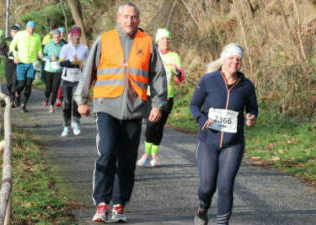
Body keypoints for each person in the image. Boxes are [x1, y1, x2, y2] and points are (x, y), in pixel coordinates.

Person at [74, 2, 167, 223]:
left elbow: (158, 76)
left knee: (126, 159)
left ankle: (119, 204)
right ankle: (101, 203)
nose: (129, 21)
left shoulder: (147, 42)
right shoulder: (104, 40)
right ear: (118, 18)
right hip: (107, 106)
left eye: (134, 17)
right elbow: (89, 70)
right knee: (106, 152)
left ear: (139, 19)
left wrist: (158, 104)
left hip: (135, 110)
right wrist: (82, 99)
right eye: (125, 17)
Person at [190, 43, 258, 225]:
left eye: (238, 59)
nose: (234, 62)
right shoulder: (208, 80)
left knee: (226, 185)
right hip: (208, 141)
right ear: (223, 60)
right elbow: (194, 105)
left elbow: (252, 108)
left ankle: (222, 222)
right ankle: (203, 207)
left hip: (233, 143)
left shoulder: (247, 86)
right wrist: (202, 120)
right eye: (231, 58)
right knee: (206, 187)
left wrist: (251, 117)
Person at [137, 28, 185, 167]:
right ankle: (146, 153)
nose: (166, 41)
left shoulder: (174, 56)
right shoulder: (151, 53)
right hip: (150, 96)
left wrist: (177, 73)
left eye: (168, 39)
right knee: (151, 125)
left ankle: (154, 155)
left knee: (159, 127)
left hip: (167, 97)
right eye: (163, 39)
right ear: (157, 41)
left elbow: (180, 79)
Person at [59, 25, 88, 136]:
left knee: (77, 102)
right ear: (71, 35)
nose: (76, 37)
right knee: (67, 103)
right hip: (66, 79)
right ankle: (66, 125)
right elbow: (61, 63)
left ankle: (75, 122)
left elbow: (89, 62)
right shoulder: (65, 48)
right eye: (74, 35)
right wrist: (71, 60)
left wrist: (83, 64)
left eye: (78, 35)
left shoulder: (84, 48)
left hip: (78, 79)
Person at [10, 20, 43, 113]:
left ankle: (23, 105)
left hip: (32, 64)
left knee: (28, 85)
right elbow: (12, 46)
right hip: (21, 63)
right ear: (26, 28)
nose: (31, 30)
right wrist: (15, 57)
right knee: (21, 84)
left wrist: (40, 53)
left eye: (33, 29)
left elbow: (39, 48)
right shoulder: (20, 34)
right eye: (29, 28)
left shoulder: (37, 37)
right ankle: (15, 93)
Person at [42, 29, 65, 113]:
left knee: (55, 88)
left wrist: (60, 59)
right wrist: (50, 58)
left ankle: (52, 105)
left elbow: (65, 57)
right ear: (52, 37)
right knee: (48, 88)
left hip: (58, 70)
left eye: (58, 37)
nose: (57, 39)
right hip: (49, 69)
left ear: (60, 37)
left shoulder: (63, 45)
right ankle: (47, 97)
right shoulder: (48, 45)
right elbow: (43, 55)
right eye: (55, 37)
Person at [0, 24, 21, 106]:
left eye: (16, 32)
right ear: (11, 32)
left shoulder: (22, 40)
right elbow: (0, 49)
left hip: (18, 62)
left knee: (16, 81)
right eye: (13, 32)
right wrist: (6, 54)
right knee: (9, 82)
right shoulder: (6, 40)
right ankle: (11, 95)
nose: (14, 33)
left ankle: (15, 98)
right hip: (9, 62)